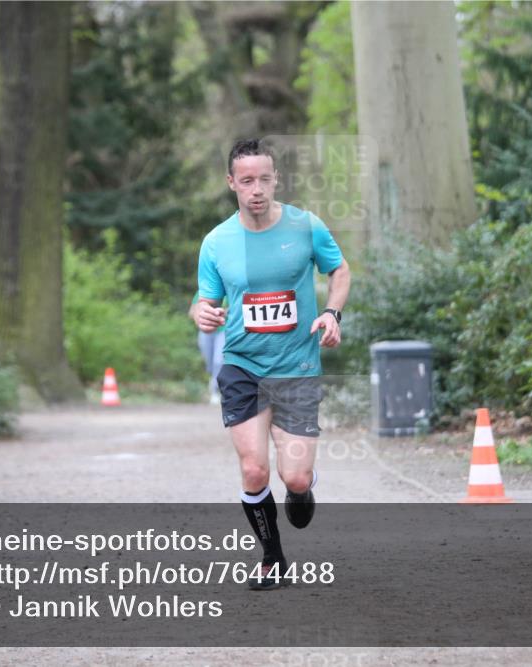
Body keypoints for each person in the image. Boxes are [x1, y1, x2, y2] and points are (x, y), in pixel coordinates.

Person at [193, 138, 351, 591]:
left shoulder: (305, 226)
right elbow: (206, 302)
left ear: (275, 179)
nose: (256, 188)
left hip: (297, 366)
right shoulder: (217, 242)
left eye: (264, 178)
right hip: (242, 365)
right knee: (254, 470)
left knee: (294, 478)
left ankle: (303, 488)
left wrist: (331, 312)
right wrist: (203, 314)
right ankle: (273, 558)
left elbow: (339, 270)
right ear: (232, 184)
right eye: (246, 180)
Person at [189, 292, 227, 405]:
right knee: (209, 362)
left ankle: (215, 391)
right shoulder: (204, 290)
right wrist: (203, 315)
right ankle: (214, 381)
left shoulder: (230, 287)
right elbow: (192, 312)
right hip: (206, 330)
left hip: (224, 329)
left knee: (218, 361)